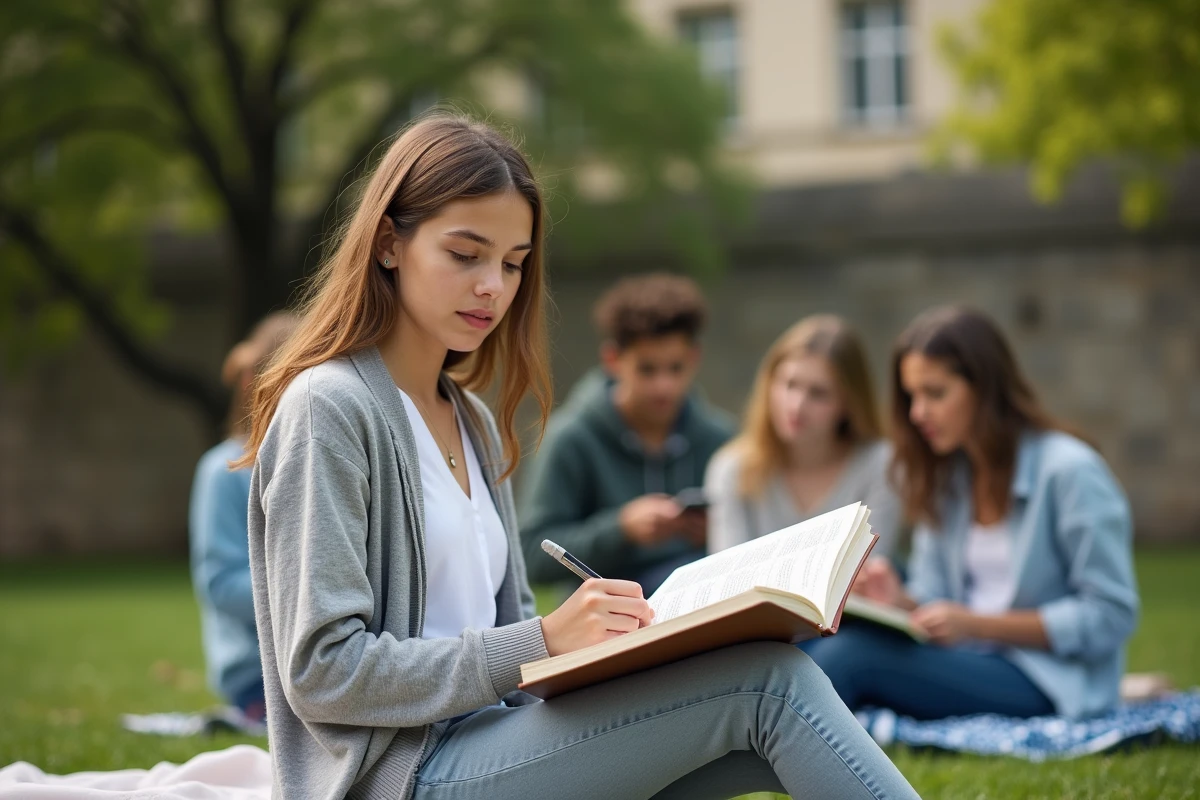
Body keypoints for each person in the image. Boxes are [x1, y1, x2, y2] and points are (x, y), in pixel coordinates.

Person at [233, 114, 918, 800]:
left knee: (768, 707)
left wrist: (622, 651)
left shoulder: (469, 418)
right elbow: (323, 672)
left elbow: (510, 635)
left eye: (512, 263)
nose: (493, 287)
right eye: (466, 254)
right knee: (768, 687)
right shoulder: (329, 407)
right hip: (404, 776)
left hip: (499, 739)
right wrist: (541, 640)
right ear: (389, 244)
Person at [802, 306, 1139, 721]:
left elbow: (1111, 614)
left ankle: (772, 748)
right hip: (965, 658)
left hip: (1047, 677)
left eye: (935, 393)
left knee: (853, 657)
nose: (917, 413)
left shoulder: (1070, 471)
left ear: (985, 388)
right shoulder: (949, 478)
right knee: (821, 639)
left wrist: (978, 625)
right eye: (911, 396)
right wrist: (899, 602)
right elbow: (936, 597)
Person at [519, 273, 735, 593]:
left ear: (694, 358)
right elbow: (531, 554)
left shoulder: (721, 439)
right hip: (607, 607)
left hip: (701, 598)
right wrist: (621, 529)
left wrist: (717, 531)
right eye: (647, 369)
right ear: (613, 360)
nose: (664, 386)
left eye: (676, 368)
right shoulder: (570, 439)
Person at [705, 314, 903, 562]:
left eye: (818, 393)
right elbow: (726, 569)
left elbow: (867, 569)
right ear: (768, 383)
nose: (797, 406)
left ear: (848, 402)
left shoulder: (882, 466)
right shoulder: (732, 469)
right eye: (789, 385)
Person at [188, 311, 297, 724]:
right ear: (254, 381)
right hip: (259, 677)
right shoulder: (223, 471)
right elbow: (220, 583)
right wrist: (307, 598)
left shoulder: (317, 465)